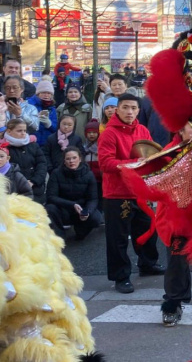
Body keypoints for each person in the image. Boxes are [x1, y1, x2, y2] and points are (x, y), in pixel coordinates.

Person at [98, 92, 164, 294]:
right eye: (125, 107)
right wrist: (134, 164)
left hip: (139, 190)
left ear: (139, 110)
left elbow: (151, 155)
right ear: (117, 109)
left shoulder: (143, 129)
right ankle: (121, 276)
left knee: (146, 231)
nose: (130, 112)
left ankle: (147, 264)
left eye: (134, 108)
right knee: (118, 238)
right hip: (117, 194)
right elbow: (105, 163)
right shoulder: (109, 134)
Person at [45, 146, 102, 240]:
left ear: (80, 159)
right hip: (64, 208)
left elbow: (93, 199)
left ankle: (81, 230)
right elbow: (51, 197)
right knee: (49, 208)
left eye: (74, 158)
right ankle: (59, 237)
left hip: (81, 209)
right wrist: (72, 205)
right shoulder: (56, 173)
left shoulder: (89, 174)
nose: (71, 161)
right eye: (68, 159)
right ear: (64, 161)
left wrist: (87, 211)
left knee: (96, 218)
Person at [4, 117, 48, 204]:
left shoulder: (33, 146)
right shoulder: (3, 148)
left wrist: (34, 181)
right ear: (9, 131)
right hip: (13, 190)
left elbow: (42, 164)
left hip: (35, 188)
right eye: (19, 131)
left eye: (25, 130)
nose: (23, 133)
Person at [29, 79, 58, 149]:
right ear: (38, 94)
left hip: (47, 144)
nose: (46, 95)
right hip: (32, 143)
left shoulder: (52, 108)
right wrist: (36, 120)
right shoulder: (30, 105)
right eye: (43, 93)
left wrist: (49, 124)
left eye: (49, 93)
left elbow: (56, 128)